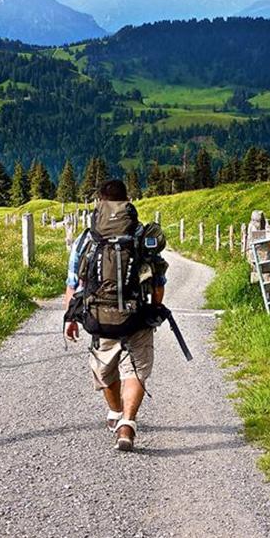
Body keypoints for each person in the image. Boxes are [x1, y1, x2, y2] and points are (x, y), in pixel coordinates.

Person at [64, 179, 167, 451]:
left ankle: (115, 412)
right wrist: (155, 309)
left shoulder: (87, 239)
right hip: (136, 317)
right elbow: (158, 280)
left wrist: (70, 318)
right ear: (127, 200)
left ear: (100, 200)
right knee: (135, 371)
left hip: (100, 320)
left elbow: (73, 283)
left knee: (106, 371)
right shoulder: (142, 234)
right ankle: (128, 423)